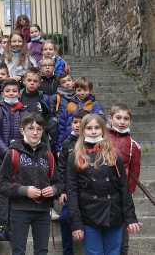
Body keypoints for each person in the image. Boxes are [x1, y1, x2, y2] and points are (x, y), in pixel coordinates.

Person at [66, 114, 141, 255]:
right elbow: (72, 191)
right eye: (89, 128)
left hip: (113, 212)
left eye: (97, 128)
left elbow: (124, 187)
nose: (93, 131)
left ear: (103, 130)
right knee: (94, 252)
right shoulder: (75, 156)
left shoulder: (113, 153)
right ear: (82, 131)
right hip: (89, 214)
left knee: (113, 252)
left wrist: (130, 217)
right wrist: (76, 223)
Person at [0, 113, 61, 255]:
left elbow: (58, 183)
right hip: (20, 210)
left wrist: (54, 190)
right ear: (22, 130)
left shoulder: (48, 154)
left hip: (43, 211)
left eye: (39, 129)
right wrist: (24, 191)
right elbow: (0, 184)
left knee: (42, 251)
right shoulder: (13, 152)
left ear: (43, 131)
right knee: (18, 251)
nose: (35, 132)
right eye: (30, 128)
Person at [0, 79, 27, 241]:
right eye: (8, 91)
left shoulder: (25, 113)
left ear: (19, 93)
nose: (11, 93)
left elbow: (29, 135)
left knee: (16, 193)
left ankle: (13, 226)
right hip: (1, 160)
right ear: (2, 94)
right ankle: (2, 226)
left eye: (14, 91)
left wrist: (18, 155)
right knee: (3, 193)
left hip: (21, 160)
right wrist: (7, 154)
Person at [19, 66, 59, 220]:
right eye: (29, 80)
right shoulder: (19, 96)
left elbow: (50, 116)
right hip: (22, 140)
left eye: (35, 81)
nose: (32, 83)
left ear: (40, 83)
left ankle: (48, 206)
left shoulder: (44, 98)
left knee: (44, 170)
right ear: (23, 81)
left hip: (41, 140)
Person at [107, 104, 141, 255]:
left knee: (122, 233)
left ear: (130, 121)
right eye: (118, 118)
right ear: (110, 118)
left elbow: (135, 171)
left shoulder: (133, 145)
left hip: (122, 193)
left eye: (126, 119)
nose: (122, 122)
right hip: (101, 192)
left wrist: (129, 193)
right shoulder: (102, 138)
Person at [58, 110, 89, 255]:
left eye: (81, 123)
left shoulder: (94, 143)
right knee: (64, 218)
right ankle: (67, 251)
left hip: (89, 192)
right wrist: (63, 191)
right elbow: (62, 169)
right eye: (75, 122)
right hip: (71, 191)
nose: (77, 126)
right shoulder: (67, 143)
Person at [56, 77, 106, 155]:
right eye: (79, 90)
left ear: (90, 90)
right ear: (75, 90)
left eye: (85, 90)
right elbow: (62, 127)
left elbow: (101, 122)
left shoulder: (95, 105)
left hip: (89, 142)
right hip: (71, 141)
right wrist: (59, 148)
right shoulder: (70, 105)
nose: (82, 93)